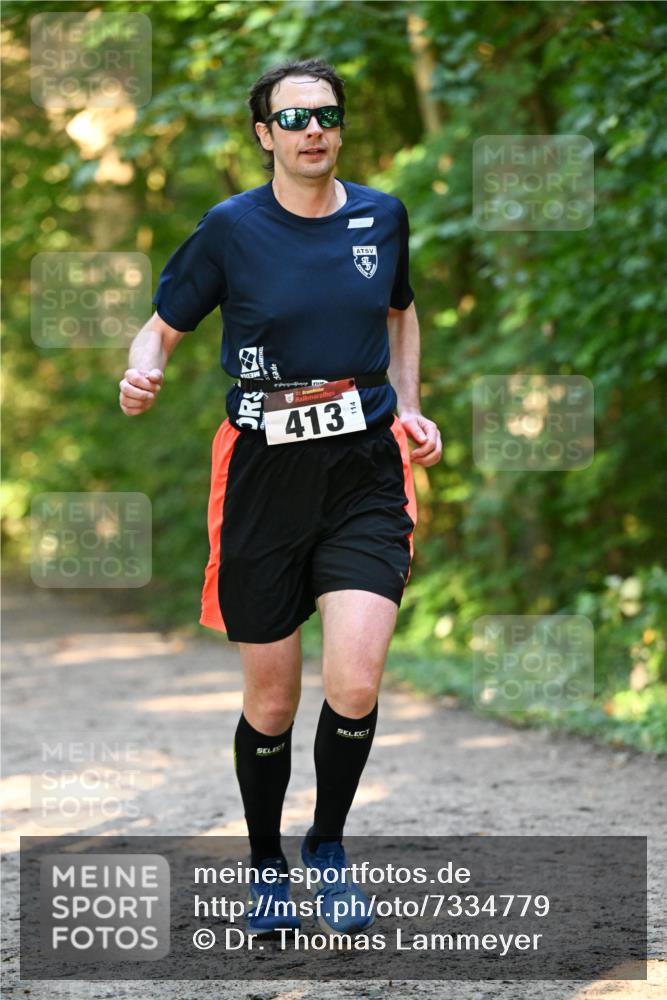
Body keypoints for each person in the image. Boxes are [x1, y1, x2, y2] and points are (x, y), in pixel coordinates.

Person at [119, 57, 441, 936]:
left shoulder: (383, 214)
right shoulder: (230, 228)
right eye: (293, 119)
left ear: (339, 128)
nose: (312, 132)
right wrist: (142, 371)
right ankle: (265, 862)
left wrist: (409, 408)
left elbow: (399, 311)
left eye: (326, 116)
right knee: (269, 703)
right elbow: (162, 326)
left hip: (364, 471)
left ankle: (327, 848)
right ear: (264, 134)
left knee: (358, 678)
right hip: (262, 472)